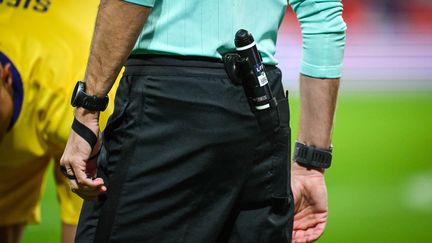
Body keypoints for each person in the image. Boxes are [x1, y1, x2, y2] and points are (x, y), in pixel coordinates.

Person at [61, 0, 346, 242]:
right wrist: (312, 164)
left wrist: (88, 109)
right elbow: (324, 17)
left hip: (168, 103)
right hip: (261, 104)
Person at [0, 1, 119, 242]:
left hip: (68, 85)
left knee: (87, 217)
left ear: (5, 77)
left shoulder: (75, 97)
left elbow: (84, 226)